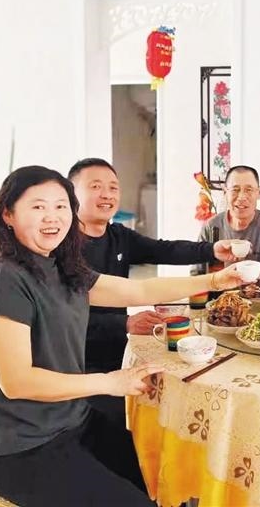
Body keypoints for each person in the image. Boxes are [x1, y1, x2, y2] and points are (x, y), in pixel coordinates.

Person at [0, 166, 244, 507]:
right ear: (8, 214)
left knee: (164, 477)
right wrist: (110, 382)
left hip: (71, 420)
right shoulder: (4, 280)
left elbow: (139, 290)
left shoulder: (62, 268)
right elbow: (17, 382)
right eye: (38, 207)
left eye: (61, 206)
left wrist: (214, 281)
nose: (52, 217)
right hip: (18, 446)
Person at [67, 158, 236, 374]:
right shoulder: (61, 247)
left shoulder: (118, 236)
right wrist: (124, 323)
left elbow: (164, 250)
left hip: (117, 353)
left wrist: (212, 250)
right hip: (75, 362)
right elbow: (62, 315)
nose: (107, 194)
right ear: (71, 194)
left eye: (113, 187)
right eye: (95, 186)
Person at [192, 165, 260, 286]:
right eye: (235, 190)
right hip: (221, 296)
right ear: (225, 192)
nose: (241, 197)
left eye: (249, 190)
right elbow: (197, 270)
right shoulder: (211, 226)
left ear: (259, 193)